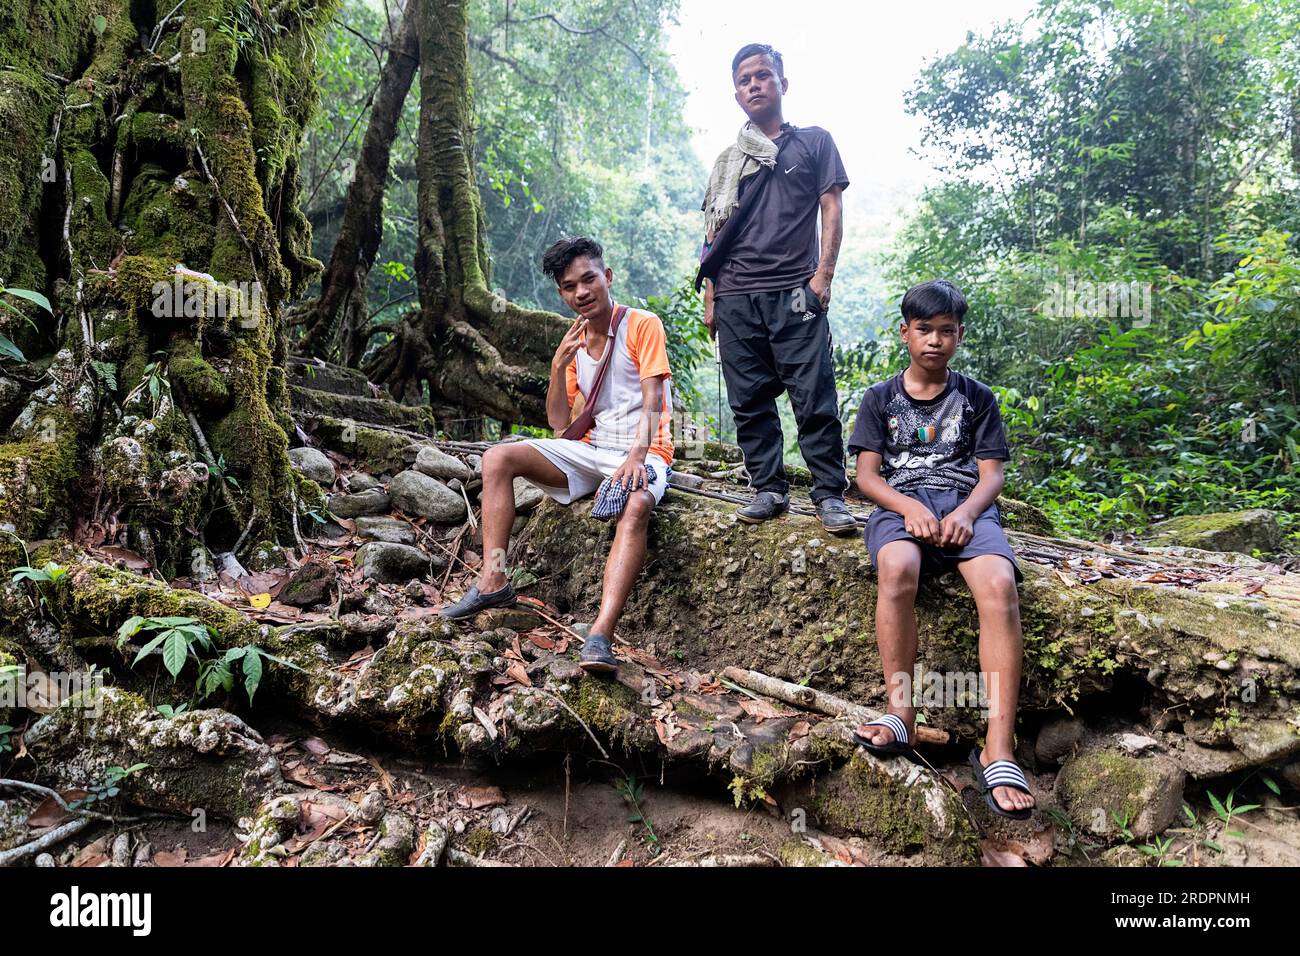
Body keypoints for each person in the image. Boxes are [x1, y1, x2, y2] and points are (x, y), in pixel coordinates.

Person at [439, 237, 673, 676]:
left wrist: (637, 456)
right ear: (562, 295)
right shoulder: (575, 344)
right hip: (592, 451)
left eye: (589, 279)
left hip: (645, 450)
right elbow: (558, 423)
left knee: (638, 502)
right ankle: (493, 580)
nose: (581, 292)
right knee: (497, 459)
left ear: (607, 277)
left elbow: (653, 396)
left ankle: (601, 635)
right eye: (570, 286)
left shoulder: (642, 325)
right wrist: (556, 366)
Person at [846, 279, 1036, 819]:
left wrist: (965, 514)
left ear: (959, 336)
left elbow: (991, 475)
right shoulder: (880, 399)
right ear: (905, 332)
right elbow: (866, 476)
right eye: (924, 330)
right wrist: (908, 509)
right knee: (898, 566)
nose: (934, 341)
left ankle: (998, 748)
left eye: (946, 331)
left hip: (964, 506)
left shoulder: (977, 398)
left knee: (999, 585)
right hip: (901, 506)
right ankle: (899, 711)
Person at [697, 42, 855, 536]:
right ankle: (768, 487)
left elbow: (831, 207)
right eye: (744, 80)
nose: (754, 85)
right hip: (737, 293)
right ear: (736, 93)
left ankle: (829, 494)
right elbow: (713, 231)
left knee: (813, 394)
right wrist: (710, 296)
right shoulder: (729, 161)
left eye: (762, 75)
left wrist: (823, 275)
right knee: (748, 399)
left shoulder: (813, 142)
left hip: (794, 289)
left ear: (782, 84)